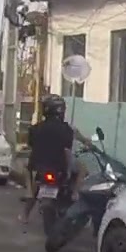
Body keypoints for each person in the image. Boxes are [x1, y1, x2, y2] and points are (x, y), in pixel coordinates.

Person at [20, 94, 80, 228]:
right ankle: (75, 192)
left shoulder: (35, 128)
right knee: (81, 169)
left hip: (37, 166)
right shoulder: (67, 130)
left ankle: (25, 212)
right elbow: (67, 149)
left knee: (29, 175)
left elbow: (31, 145)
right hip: (60, 168)